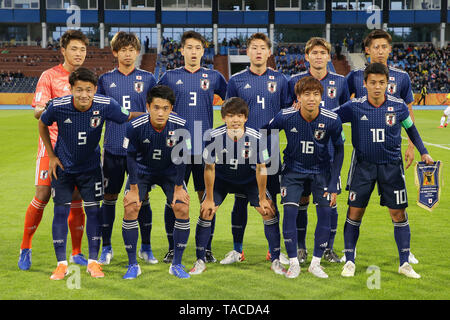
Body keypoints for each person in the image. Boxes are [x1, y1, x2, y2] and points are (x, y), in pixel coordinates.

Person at [38, 67, 144, 280]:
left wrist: (155, 116)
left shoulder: (105, 105)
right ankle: (61, 264)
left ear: (95, 89)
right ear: (71, 89)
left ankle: (93, 263)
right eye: (79, 90)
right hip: (63, 169)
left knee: (94, 212)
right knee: (60, 212)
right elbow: (42, 123)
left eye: (88, 89)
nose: (84, 95)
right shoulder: (59, 106)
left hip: (91, 169)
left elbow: (128, 116)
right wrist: (51, 156)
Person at [337, 63, 434, 279]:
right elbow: (330, 118)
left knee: (398, 214)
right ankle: (350, 261)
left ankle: (404, 263)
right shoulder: (354, 106)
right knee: (354, 212)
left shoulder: (399, 106)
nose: (377, 87)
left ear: (388, 83)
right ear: (365, 84)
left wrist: (424, 152)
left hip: (392, 167)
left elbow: (412, 129)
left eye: (382, 82)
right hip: (362, 167)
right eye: (373, 82)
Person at [345, 29, 419, 264]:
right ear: (367, 50)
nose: (380, 51)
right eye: (375, 47)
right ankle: (350, 252)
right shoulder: (355, 76)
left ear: (389, 49)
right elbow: (346, 106)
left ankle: (406, 253)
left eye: (384, 47)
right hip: (364, 153)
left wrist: (410, 145)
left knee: (397, 207)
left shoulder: (403, 77)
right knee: (356, 207)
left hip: (391, 154)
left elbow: (408, 110)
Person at [18, 30, 89, 271]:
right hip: (52, 147)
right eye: (74, 49)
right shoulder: (49, 76)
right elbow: (38, 110)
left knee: (77, 198)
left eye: (82, 50)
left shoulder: (87, 80)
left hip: (79, 150)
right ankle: (25, 247)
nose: (78, 54)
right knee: (43, 194)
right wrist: (52, 106)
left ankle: (77, 251)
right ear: (63, 50)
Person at [189, 97, 283, 275]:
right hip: (222, 181)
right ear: (223, 117)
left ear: (246, 118)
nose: (235, 120)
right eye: (231, 116)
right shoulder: (213, 136)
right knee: (206, 211)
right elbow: (209, 168)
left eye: (239, 116)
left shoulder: (257, 137)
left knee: (268, 210)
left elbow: (261, 168)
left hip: (249, 181)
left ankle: (276, 260)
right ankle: (200, 260)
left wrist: (262, 198)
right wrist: (209, 198)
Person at [158, 31, 227, 264]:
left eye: (198, 48)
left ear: (203, 51)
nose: (194, 52)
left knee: (207, 198)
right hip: (177, 146)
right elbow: (157, 103)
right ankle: (171, 248)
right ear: (182, 50)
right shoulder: (169, 77)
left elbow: (232, 102)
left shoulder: (214, 76)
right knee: (174, 198)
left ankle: (205, 248)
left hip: (206, 144)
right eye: (189, 47)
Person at [265, 76, 345, 279]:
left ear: (322, 96)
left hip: (321, 172)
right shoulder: (286, 116)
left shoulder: (331, 119)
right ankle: (293, 262)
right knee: (290, 214)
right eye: (306, 94)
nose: (311, 98)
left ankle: (316, 263)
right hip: (293, 171)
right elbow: (264, 133)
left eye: (316, 94)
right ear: (298, 97)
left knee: (325, 214)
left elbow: (340, 150)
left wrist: (334, 182)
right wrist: (266, 158)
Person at [224, 32, 291, 265]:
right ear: (247, 51)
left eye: (263, 47)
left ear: (269, 52)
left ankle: (274, 251)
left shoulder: (281, 80)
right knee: (240, 200)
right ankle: (237, 250)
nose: (259, 51)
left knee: (271, 199)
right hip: (241, 150)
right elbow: (229, 114)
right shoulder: (236, 81)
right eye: (254, 47)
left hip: (270, 149)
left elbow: (286, 114)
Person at [96, 31, 157, 266]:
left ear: (137, 52)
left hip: (140, 150)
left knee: (142, 198)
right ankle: (106, 248)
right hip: (112, 148)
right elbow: (98, 113)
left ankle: (146, 248)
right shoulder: (104, 80)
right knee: (109, 198)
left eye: (132, 50)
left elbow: (157, 110)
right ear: (115, 52)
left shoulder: (149, 78)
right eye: (123, 50)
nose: (128, 54)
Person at [288, 37, 350, 265]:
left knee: (330, 203)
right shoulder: (294, 81)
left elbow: (344, 111)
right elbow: (288, 111)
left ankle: (328, 249)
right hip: (301, 155)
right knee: (302, 202)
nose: (318, 56)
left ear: (328, 56)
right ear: (306, 56)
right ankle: (302, 247)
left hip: (329, 155)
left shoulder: (340, 82)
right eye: (313, 52)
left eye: (322, 52)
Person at [123, 85, 191, 279]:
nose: (160, 113)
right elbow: (130, 158)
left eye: (165, 108)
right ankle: (132, 265)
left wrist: (179, 187)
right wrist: (134, 189)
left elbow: (183, 157)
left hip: (170, 172)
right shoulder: (134, 126)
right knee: (131, 207)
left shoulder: (181, 125)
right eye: (156, 107)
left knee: (182, 207)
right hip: (142, 170)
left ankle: (176, 264)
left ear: (171, 109)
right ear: (148, 106)